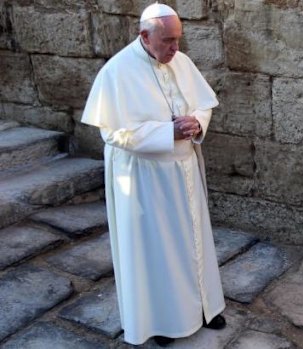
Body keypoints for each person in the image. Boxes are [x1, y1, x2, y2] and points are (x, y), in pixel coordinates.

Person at [81, 3, 226, 346]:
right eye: (168, 41)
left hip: (184, 172)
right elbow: (113, 134)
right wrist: (167, 133)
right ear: (144, 36)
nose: (176, 48)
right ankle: (162, 321)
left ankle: (206, 307)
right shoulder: (117, 73)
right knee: (157, 251)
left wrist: (197, 123)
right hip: (145, 179)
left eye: (178, 40)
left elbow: (203, 103)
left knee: (195, 241)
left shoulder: (181, 61)